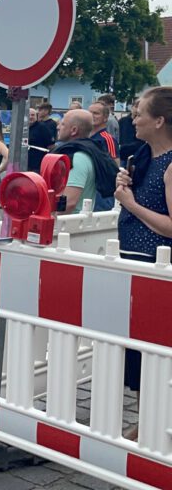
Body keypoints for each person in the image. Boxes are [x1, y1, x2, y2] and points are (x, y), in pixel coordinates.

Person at [114, 86, 172, 440]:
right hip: (136, 265)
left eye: (140, 113)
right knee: (136, 349)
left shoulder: (170, 165)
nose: (134, 119)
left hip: (155, 270)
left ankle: (152, 420)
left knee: (151, 348)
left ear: (160, 121)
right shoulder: (145, 157)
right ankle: (146, 416)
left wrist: (131, 203)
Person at [53, 109, 117, 213]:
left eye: (63, 124)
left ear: (74, 130)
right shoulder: (87, 150)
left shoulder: (77, 157)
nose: (58, 127)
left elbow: (69, 202)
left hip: (68, 224)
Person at [27, 107, 55, 173]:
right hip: (25, 163)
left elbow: (51, 146)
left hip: (38, 165)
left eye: (33, 115)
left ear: (36, 116)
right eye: (29, 115)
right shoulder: (23, 128)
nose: (31, 117)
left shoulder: (43, 127)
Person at [119, 100, 142, 167]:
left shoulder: (141, 123)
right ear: (132, 107)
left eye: (139, 107)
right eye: (136, 106)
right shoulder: (122, 121)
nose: (137, 109)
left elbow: (140, 142)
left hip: (135, 155)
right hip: (122, 155)